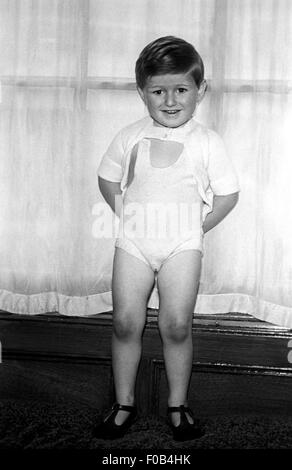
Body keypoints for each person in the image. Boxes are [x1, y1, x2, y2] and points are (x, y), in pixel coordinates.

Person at [94, 36, 239, 441]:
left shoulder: (207, 140)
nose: (170, 100)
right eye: (158, 91)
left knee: (176, 325)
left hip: (182, 247)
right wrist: (126, 218)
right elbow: (107, 178)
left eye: (181, 89)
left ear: (200, 91)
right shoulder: (129, 135)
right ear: (143, 93)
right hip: (134, 245)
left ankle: (178, 405)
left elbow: (228, 195)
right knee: (126, 321)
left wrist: (196, 229)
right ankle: (124, 403)